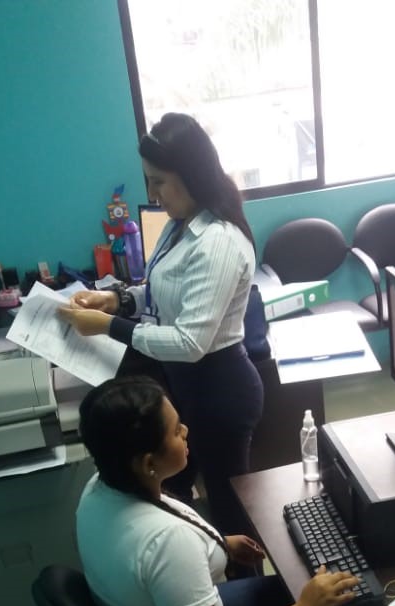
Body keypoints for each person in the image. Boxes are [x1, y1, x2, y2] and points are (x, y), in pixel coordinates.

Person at [75, 376, 358, 606]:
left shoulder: (99, 489)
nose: (186, 431)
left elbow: (147, 558)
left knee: (287, 588)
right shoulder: (166, 541)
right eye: (176, 431)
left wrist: (218, 544)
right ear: (148, 463)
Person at [60, 112, 263, 540]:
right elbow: (162, 291)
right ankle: (198, 564)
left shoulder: (218, 241)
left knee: (229, 507)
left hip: (218, 390)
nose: (152, 194)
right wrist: (117, 299)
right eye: (148, 181)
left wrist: (109, 325)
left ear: (192, 174)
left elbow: (190, 341)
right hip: (183, 384)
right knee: (174, 494)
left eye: (159, 182)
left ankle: (243, 579)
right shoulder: (179, 226)